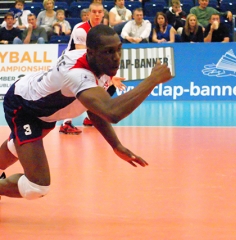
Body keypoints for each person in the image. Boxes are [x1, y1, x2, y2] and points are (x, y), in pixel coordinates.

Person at [0, 24, 172, 200]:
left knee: (18, 145)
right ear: (90, 52)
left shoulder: (102, 65)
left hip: (46, 112)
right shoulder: (77, 73)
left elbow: (95, 109)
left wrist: (116, 145)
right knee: (37, 187)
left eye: (118, 50)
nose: (116, 58)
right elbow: (112, 112)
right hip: (23, 106)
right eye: (108, 52)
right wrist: (153, 80)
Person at [61, 2, 125, 133]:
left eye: (99, 12)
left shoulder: (103, 30)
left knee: (109, 86)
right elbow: (82, 54)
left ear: (103, 13)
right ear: (88, 13)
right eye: (94, 12)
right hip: (72, 64)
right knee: (77, 91)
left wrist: (110, 77)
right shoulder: (81, 30)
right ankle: (65, 123)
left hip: (89, 63)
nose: (97, 14)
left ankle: (93, 116)